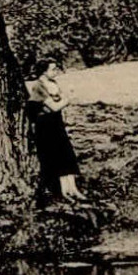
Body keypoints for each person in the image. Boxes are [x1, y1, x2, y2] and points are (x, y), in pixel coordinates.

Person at [27, 53, 86, 204]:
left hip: (56, 123)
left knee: (66, 154)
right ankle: (63, 190)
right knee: (56, 156)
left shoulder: (52, 84)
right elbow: (54, 106)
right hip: (46, 126)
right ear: (44, 71)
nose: (56, 72)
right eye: (53, 69)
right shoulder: (38, 86)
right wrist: (68, 99)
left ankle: (73, 189)